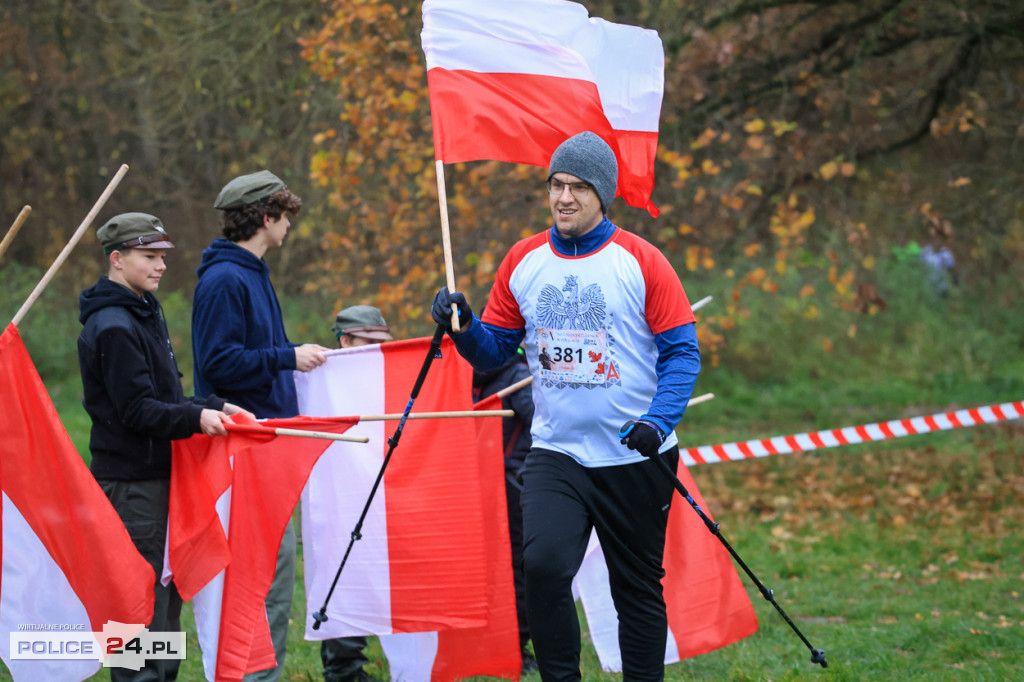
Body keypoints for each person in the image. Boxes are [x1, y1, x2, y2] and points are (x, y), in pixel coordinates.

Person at [431, 131, 701, 682]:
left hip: (634, 454)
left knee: (636, 589)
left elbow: (682, 353)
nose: (564, 198)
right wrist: (461, 327)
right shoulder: (524, 259)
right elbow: (495, 349)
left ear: (604, 194)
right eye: (556, 185)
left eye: (578, 187)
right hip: (557, 452)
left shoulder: (642, 261)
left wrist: (658, 421)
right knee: (545, 567)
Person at [78, 212, 250, 682]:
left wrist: (214, 405)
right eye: (149, 256)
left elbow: (164, 397)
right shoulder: (113, 324)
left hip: (160, 480)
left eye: (162, 256)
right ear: (117, 259)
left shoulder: (142, 309)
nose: (160, 266)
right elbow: (137, 411)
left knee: (164, 604)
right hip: (132, 486)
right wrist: (196, 418)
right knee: (137, 611)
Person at [191, 171, 329, 681]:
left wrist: (289, 359)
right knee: (260, 580)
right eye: (286, 214)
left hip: (270, 444)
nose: (291, 224)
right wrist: (288, 357)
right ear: (266, 218)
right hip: (243, 448)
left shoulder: (252, 271)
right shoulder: (225, 280)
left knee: (275, 576)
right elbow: (219, 363)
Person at [319, 305, 392, 682]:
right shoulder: (320, 378)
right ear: (345, 341)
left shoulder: (384, 377)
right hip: (337, 493)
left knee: (372, 571)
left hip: (381, 489)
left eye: (384, 343)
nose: (377, 351)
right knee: (341, 570)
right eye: (369, 342)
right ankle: (343, 668)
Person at [471, 343, 538, 677]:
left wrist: (517, 469)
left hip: (505, 486)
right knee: (506, 570)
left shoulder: (510, 377)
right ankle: (505, 644)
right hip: (493, 486)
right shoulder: (510, 375)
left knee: (513, 569)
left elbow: (538, 425)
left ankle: (514, 645)